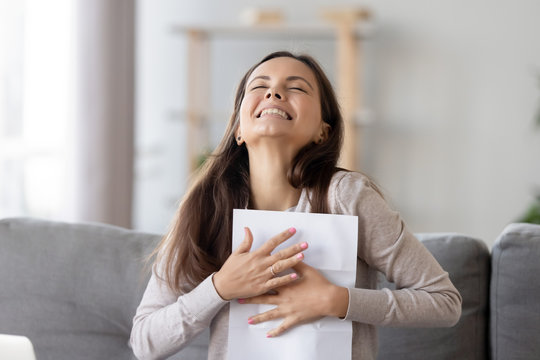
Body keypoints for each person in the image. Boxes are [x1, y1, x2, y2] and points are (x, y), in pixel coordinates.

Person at [130, 51, 462, 360]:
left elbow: (444, 302)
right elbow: (145, 342)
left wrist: (337, 300)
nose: (273, 93)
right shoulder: (205, 207)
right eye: (260, 86)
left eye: (296, 88)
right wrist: (219, 288)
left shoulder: (346, 196)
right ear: (238, 130)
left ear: (322, 131)